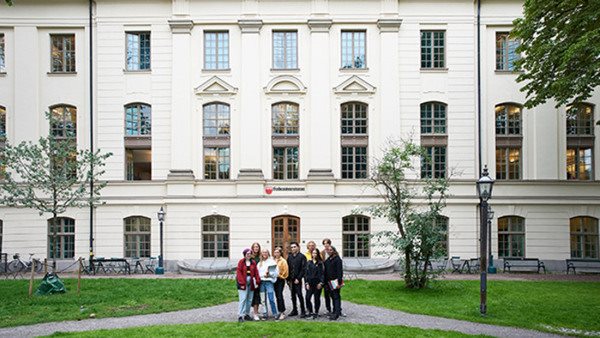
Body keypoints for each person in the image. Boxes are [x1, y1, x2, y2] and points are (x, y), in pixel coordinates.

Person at [236, 248, 261, 323]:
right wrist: (242, 283)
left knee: (249, 299)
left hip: (251, 283)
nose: (249, 255)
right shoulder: (241, 262)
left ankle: (247, 314)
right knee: (243, 299)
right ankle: (240, 315)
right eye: (247, 254)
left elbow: (256, 272)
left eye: (250, 254)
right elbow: (239, 273)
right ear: (244, 254)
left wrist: (257, 280)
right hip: (243, 283)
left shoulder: (253, 262)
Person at [286, 241, 307, 318]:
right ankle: (295, 310)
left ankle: (303, 311)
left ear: (298, 247)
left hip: (297, 279)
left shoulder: (302, 257)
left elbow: (303, 269)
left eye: (294, 247)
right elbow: (287, 267)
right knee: (292, 295)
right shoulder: (290, 257)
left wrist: (299, 278)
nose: (293, 248)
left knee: (299, 295)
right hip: (291, 279)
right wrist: (287, 279)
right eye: (292, 247)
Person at [257, 249, 279, 320]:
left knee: (271, 298)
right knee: (263, 300)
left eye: (266, 252)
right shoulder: (259, 263)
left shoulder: (272, 262)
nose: (264, 253)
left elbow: (276, 273)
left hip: (269, 282)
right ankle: (265, 314)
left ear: (268, 253)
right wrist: (263, 275)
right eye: (263, 252)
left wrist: (269, 274)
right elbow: (257, 274)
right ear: (261, 254)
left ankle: (275, 313)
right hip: (262, 282)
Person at [324, 246, 343, 320]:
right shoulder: (328, 259)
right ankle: (334, 311)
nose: (329, 251)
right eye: (328, 250)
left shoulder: (337, 259)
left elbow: (339, 272)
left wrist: (339, 282)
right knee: (332, 296)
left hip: (335, 281)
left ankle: (337, 313)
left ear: (334, 250)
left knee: (336, 297)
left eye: (330, 250)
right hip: (328, 282)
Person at [304, 248, 324, 319]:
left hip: (317, 283)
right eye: (313, 253)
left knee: (316, 298)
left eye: (315, 253)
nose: (314, 254)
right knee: (307, 298)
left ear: (318, 254)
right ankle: (310, 311)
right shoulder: (309, 262)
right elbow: (306, 274)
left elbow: (322, 274)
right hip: (310, 283)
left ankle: (316, 312)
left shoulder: (320, 263)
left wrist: (321, 283)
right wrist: (306, 283)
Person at [273, 247, 288, 320]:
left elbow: (285, 272)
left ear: (280, 253)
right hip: (273, 280)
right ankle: (279, 310)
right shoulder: (272, 260)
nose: (276, 254)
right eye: (275, 252)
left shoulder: (283, 261)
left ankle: (282, 312)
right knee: (276, 296)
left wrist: (279, 275)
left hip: (280, 280)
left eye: (278, 252)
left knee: (279, 295)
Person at [250, 242, 262, 320]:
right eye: (255, 247)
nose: (256, 248)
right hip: (253, 279)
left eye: (257, 247)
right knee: (253, 296)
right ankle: (254, 312)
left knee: (259, 296)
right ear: (252, 248)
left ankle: (256, 312)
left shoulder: (261, 257)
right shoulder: (251, 257)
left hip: (261, 278)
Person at [321, 238, 332, 314]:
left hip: (332, 276)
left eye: (327, 243)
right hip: (325, 276)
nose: (326, 245)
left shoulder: (333, 251)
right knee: (326, 294)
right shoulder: (322, 253)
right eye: (324, 243)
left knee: (334, 294)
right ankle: (328, 309)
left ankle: (337, 309)